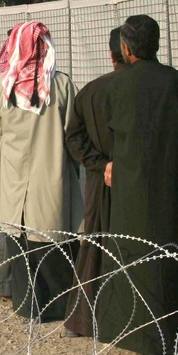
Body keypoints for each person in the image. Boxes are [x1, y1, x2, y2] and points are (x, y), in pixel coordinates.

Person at [94, 15, 178, 355]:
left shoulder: (116, 86)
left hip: (130, 185)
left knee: (132, 256)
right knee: (170, 255)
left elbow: (111, 133)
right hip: (170, 184)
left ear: (125, 48)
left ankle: (134, 333)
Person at [0, 21, 82, 322]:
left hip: (11, 181)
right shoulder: (62, 86)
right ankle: (60, 308)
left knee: (18, 245)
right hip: (50, 178)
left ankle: (27, 306)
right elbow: (71, 130)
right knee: (51, 243)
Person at [62, 26, 128, 338]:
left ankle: (85, 319)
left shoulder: (91, 91)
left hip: (100, 180)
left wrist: (100, 164)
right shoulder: (156, 87)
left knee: (96, 244)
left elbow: (73, 138)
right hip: (143, 182)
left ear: (113, 53)